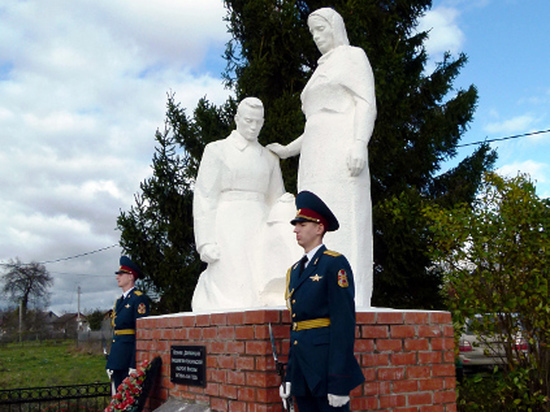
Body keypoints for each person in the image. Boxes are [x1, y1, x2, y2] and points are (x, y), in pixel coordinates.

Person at [267, 8, 376, 308]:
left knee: (343, 215)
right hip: (314, 156)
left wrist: (359, 143)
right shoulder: (319, 70)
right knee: (313, 217)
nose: (316, 38)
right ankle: (315, 290)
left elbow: (365, 103)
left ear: (335, 28)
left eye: (321, 30)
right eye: (313, 32)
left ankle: (350, 294)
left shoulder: (353, 57)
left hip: (341, 148)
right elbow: (314, 123)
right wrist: (289, 150)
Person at [192, 97, 300, 311]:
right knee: (235, 286)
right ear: (237, 119)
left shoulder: (269, 157)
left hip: (260, 223)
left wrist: (285, 204)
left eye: (258, 122)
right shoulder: (217, 150)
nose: (253, 127)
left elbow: (275, 197)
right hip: (229, 224)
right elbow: (205, 197)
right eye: (248, 120)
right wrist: (205, 242)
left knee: (258, 280)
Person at [279, 191, 364, 411]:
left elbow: (343, 325)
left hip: (325, 371)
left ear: (319, 228)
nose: (295, 229)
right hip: (302, 373)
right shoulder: (295, 271)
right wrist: (289, 377)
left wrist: (339, 382)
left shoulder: (334, 264)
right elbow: (296, 327)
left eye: (302, 224)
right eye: (295, 224)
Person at [106, 256, 150, 394]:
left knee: (128, 401)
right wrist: (111, 362)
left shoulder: (138, 299)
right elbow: (117, 334)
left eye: (121, 274)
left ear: (131, 276)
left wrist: (133, 363)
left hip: (128, 360)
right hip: (117, 360)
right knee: (117, 401)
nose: (117, 277)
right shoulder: (119, 302)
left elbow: (140, 333)